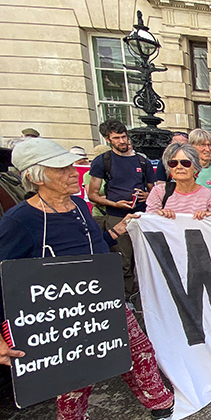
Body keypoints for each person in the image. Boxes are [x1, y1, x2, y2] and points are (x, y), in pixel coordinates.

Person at [0, 138, 174, 420]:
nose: (74, 173)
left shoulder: (80, 208)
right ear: (36, 177)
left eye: (71, 166)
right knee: (74, 372)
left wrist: (117, 231)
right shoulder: (20, 220)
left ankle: (158, 400)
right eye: (62, 169)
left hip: (103, 299)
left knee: (138, 350)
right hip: (60, 313)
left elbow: (95, 247)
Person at [87, 119, 156, 300]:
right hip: (116, 217)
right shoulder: (103, 161)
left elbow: (154, 190)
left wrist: (148, 195)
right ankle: (126, 299)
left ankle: (145, 298)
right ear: (107, 139)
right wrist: (114, 204)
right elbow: (92, 194)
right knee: (123, 262)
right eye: (117, 138)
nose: (122, 141)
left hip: (141, 217)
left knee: (145, 260)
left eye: (124, 137)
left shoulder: (142, 161)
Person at [145, 143, 211, 219]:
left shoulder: (210, 196)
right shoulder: (159, 192)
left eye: (185, 163)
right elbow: (149, 221)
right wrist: (160, 215)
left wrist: (207, 218)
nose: (179, 167)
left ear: (196, 167)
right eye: (173, 163)